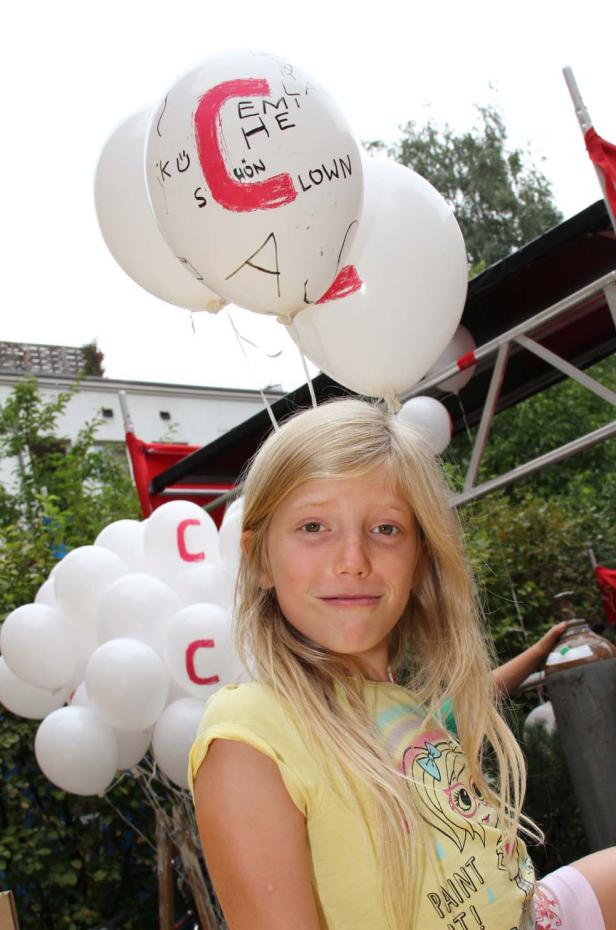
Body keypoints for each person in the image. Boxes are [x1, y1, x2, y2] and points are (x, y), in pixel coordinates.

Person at [189, 398, 615, 930]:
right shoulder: (249, 735)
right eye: (314, 526)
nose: (352, 560)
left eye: (385, 529)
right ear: (258, 559)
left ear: (421, 559)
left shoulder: (405, 704)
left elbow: (481, 691)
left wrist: (542, 648)